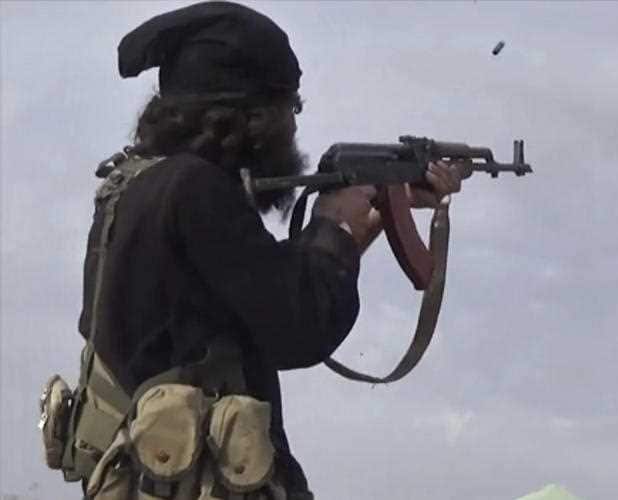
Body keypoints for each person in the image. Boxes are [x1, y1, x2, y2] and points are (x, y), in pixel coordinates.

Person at [49, 1, 462, 498]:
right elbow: (298, 326)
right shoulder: (197, 190)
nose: (292, 125)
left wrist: (364, 224)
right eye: (289, 108)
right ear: (249, 116)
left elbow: (251, 298)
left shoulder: (132, 186)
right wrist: (334, 226)